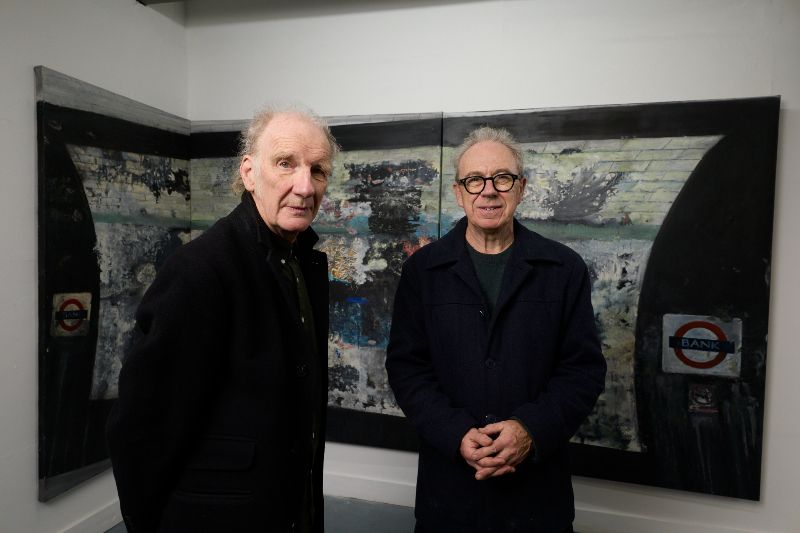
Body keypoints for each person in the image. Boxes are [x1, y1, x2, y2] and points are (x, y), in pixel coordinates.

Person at [106, 107, 338, 533]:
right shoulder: (200, 270)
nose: (305, 187)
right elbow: (142, 425)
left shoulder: (301, 262)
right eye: (286, 163)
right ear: (249, 173)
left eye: (318, 170)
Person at [386, 127, 606, 533]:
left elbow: (583, 372)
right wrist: (455, 434)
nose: (488, 191)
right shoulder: (423, 272)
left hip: (539, 502)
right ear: (458, 193)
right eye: (474, 180)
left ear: (521, 188)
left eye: (502, 178)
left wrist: (530, 430)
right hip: (448, 498)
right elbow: (407, 369)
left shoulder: (563, 269)